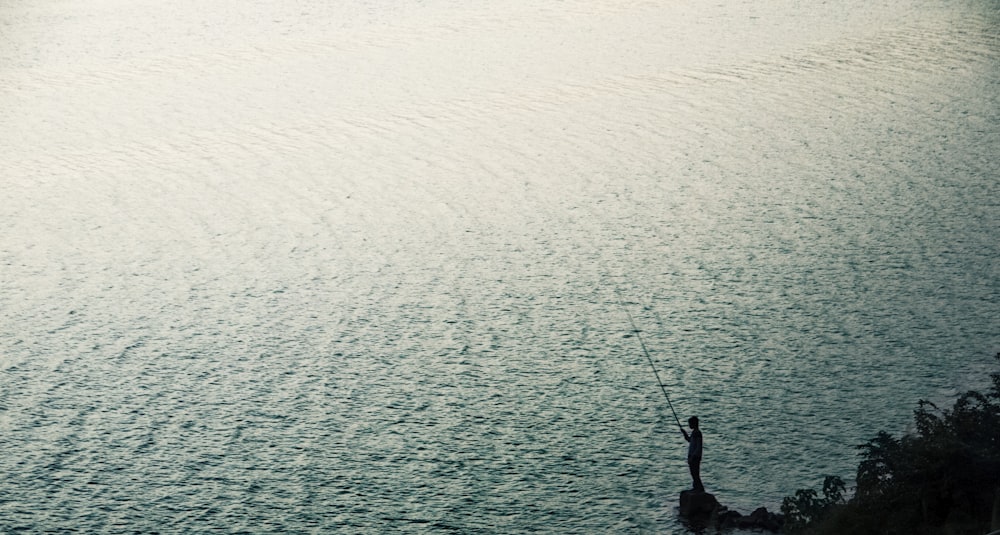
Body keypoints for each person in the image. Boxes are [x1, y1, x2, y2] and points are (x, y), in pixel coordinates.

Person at [681, 416, 704, 492]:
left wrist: (693, 457)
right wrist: (684, 433)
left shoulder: (697, 433)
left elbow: (698, 447)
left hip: (695, 457)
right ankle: (696, 487)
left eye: (690, 423)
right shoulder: (694, 432)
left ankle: (699, 488)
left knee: (695, 473)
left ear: (694, 424)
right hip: (693, 456)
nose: (689, 425)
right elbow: (689, 440)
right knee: (693, 473)